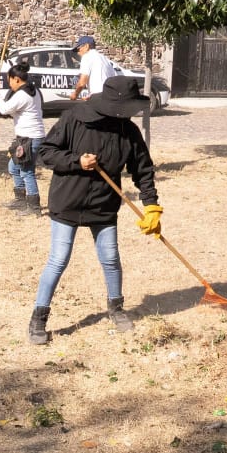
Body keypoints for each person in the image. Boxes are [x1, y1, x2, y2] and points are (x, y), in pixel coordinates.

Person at [29, 76, 161, 345]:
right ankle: (38, 317)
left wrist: (151, 206)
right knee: (59, 259)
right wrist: (76, 160)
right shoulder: (75, 118)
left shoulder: (128, 131)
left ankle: (116, 307)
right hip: (68, 200)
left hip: (104, 203)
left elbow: (143, 170)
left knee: (110, 257)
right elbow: (46, 152)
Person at [0, 63, 46, 215]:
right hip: (28, 137)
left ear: (16, 79)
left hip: (30, 138)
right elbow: (15, 110)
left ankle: (34, 207)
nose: (10, 85)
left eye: (10, 81)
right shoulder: (32, 90)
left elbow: (5, 109)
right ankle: (20, 200)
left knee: (27, 171)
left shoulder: (23, 94)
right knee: (13, 167)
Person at [69, 35, 117, 101]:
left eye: (78, 49)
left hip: (98, 98)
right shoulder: (105, 59)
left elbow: (82, 82)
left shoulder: (87, 57)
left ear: (86, 46)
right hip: (109, 97)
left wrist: (75, 95)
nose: (78, 53)